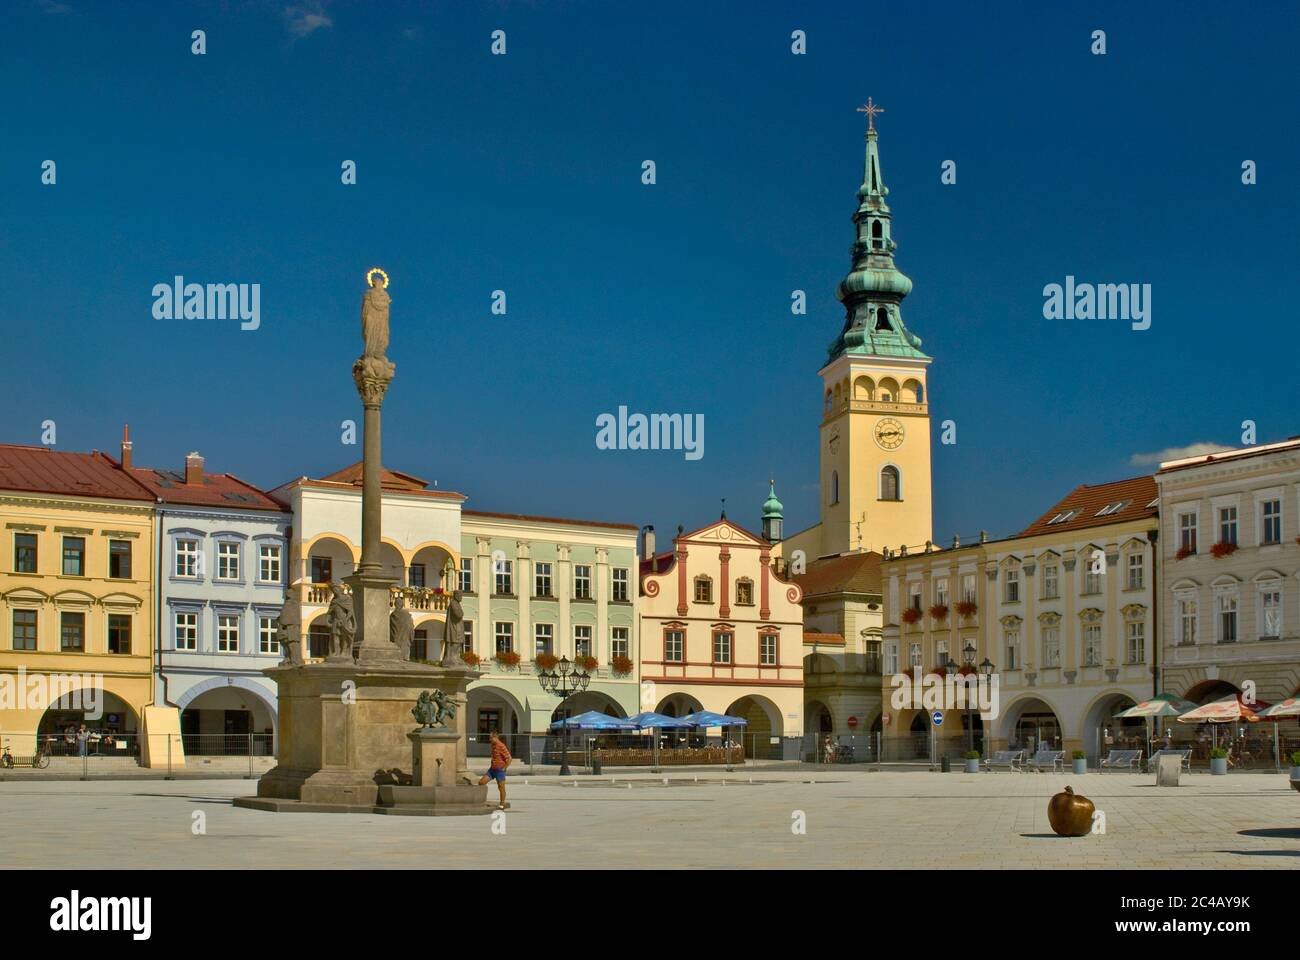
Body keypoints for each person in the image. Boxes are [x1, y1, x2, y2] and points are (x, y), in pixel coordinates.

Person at [477, 731, 512, 809]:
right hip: (492, 769)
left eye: (491, 738)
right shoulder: (493, 745)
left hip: (500, 770)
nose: (489, 739)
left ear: (495, 737)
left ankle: (502, 804)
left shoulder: (501, 746)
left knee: (501, 787)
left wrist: (504, 768)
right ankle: (482, 800)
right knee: (481, 782)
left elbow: (509, 758)